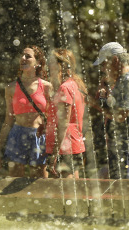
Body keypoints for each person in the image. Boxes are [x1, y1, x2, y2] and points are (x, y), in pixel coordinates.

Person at [0, 45, 52, 178]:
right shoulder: (11, 87)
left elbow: (51, 118)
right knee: (14, 181)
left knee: (40, 183)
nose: (23, 58)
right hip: (18, 134)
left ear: (38, 63)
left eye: (28, 56)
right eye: (22, 56)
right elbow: (8, 121)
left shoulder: (47, 87)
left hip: (39, 135)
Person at [93, 42, 129, 179]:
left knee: (127, 194)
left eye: (104, 64)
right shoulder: (122, 80)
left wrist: (95, 104)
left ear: (115, 60)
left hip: (128, 148)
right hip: (123, 146)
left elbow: (120, 116)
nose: (103, 69)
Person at [46, 49, 87, 178]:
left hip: (65, 145)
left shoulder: (65, 88)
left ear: (61, 65)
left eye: (51, 62)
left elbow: (64, 123)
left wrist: (54, 154)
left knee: (64, 191)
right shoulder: (76, 85)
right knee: (74, 190)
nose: (48, 66)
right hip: (74, 143)